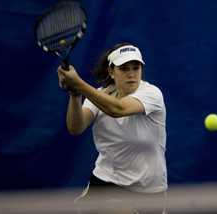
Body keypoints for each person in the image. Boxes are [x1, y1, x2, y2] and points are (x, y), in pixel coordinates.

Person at [57, 42, 167, 213]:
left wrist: (78, 83)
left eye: (135, 67)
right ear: (111, 72)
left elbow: (118, 109)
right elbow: (75, 127)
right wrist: (75, 94)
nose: (131, 74)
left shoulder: (152, 94)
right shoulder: (100, 94)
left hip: (146, 190)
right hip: (105, 180)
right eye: (124, 68)